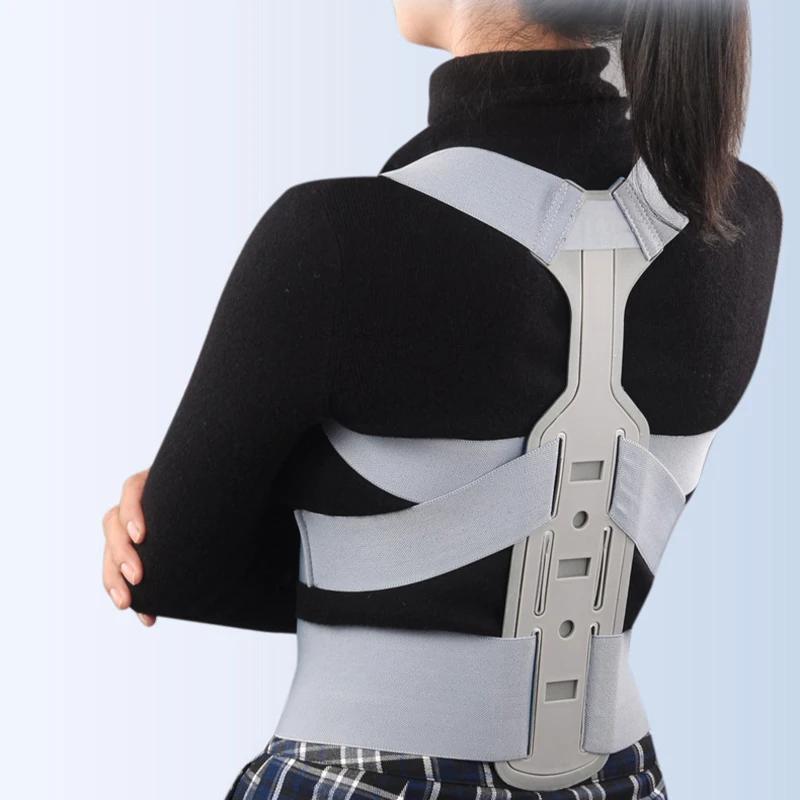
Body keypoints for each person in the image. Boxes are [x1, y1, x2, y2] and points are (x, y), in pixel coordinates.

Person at [101, 1, 783, 798]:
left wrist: (195, 505)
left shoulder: (334, 238)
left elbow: (165, 568)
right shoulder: (741, 218)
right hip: (622, 780)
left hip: (360, 776)